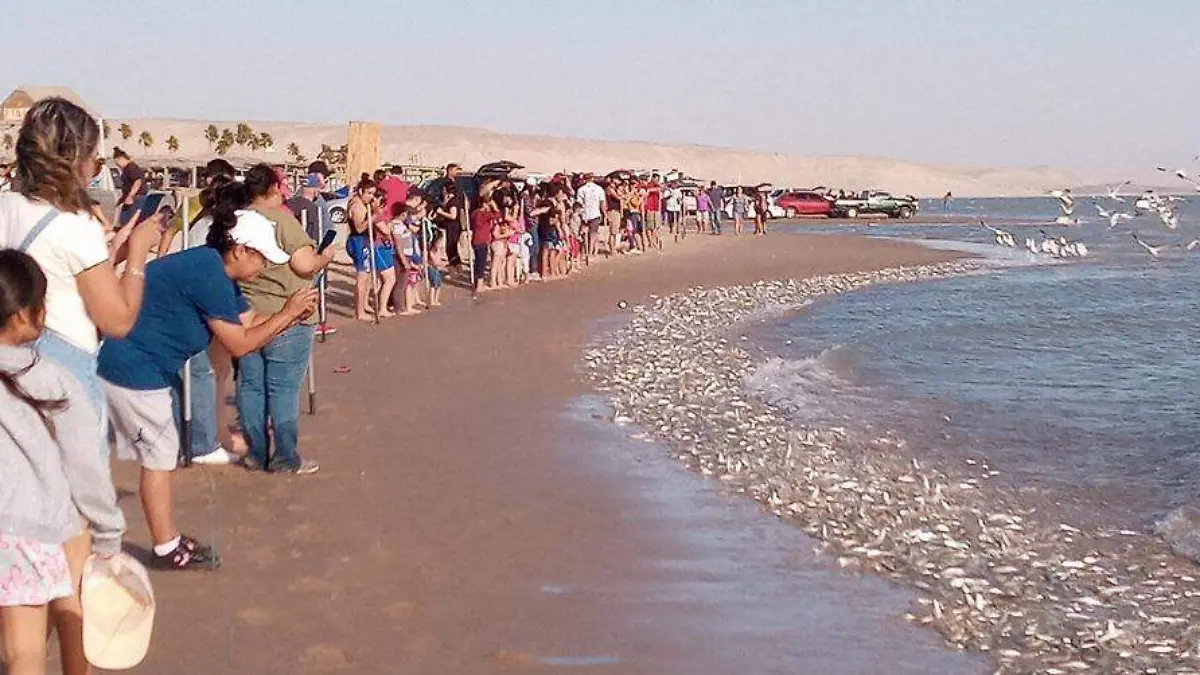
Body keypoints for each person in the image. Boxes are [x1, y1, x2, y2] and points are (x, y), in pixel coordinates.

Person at [97, 182, 319, 570]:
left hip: (140, 365)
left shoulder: (215, 271)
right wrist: (287, 314)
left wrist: (290, 314)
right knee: (157, 457)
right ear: (240, 250)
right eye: (262, 259)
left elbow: (248, 322)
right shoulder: (208, 274)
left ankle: (135, 538)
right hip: (133, 368)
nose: (264, 268)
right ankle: (163, 547)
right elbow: (240, 343)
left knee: (145, 454)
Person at [0, 97, 155, 654]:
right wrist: (137, 257)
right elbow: (117, 320)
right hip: (60, 388)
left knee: (18, 542)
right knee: (71, 561)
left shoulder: (5, 206)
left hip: (8, 373)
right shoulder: (76, 226)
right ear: (76, 158)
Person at [0, 249, 126, 675]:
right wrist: (108, 530)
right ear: (26, 314)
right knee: (25, 652)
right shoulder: (52, 379)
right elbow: (85, 466)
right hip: (25, 530)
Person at [237, 163, 335, 474]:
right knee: (282, 389)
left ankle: (256, 453)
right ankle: (284, 457)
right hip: (288, 315)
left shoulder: (236, 219)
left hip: (247, 315)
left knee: (251, 386)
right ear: (272, 189)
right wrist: (325, 257)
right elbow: (304, 264)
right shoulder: (280, 221)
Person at [346, 178, 385, 321]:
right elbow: (359, 228)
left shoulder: (364, 204)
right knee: (362, 277)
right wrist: (374, 215)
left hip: (365, 241)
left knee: (367, 276)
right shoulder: (357, 205)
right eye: (368, 193)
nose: (371, 197)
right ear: (361, 191)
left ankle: (364, 304)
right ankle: (359, 312)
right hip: (359, 241)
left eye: (373, 194)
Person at [470, 196, 501, 295]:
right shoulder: (484, 214)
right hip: (482, 240)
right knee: (481, 263)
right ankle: (479, 285)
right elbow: (498, 215)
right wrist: (494, 207)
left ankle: (477, 282)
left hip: (475, 239)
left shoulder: (475, 213)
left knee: (477, 261)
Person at [112, 147, 147, 227]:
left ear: (121, 159)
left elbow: (138, 181)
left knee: (130, 221)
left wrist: (130, 196)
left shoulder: (131, 167)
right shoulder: (126, 169)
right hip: (131, 198)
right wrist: (121, 200)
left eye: (117, 163)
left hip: (136, 198)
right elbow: (128, 186)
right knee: (124, 220)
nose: (118, 166)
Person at [575, 174, 605, 257]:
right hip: (595, 213)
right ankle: (590, 252)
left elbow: (579, 203)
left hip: (584, 213)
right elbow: (602, 202)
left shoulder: (581, 189)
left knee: (583, 233)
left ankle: (584, 251)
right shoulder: (599, 189)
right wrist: (604, 213)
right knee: (593, 233)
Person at [642, 177, 663, 250]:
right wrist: (652, 189)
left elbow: (661, 189)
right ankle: (650, 241)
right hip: (649, 208)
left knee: (655, 226)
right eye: (655, 179)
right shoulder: (649, 185)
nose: (657, 181)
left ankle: (653, 240)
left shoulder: (658, 186)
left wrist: (657, 187)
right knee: (649, 226)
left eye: (658, 180)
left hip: (656, 208)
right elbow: (647, 190)